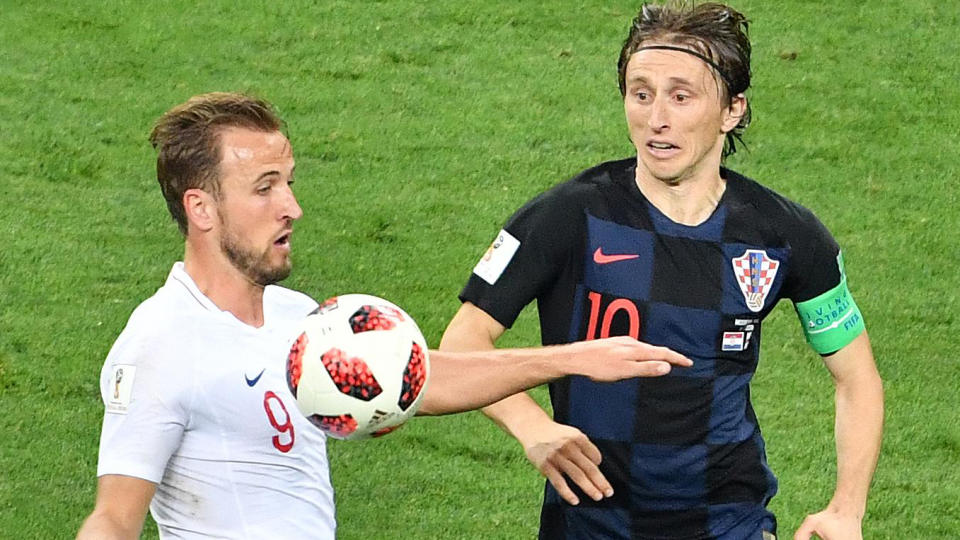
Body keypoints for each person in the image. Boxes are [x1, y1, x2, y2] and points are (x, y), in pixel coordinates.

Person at [75, 92, 690, 540]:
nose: (292, 206)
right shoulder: (160, 345)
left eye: (289, 181)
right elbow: (114, 517)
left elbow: (422, 378)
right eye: (265, 188)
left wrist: (574, 359)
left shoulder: (298, 320)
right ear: (201, 209)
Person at [439, 3, 883, 540]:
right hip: (588, 525)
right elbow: (464, 343)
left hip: (729, 524)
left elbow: (856, 376)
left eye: (681, 95)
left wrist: (847, 508)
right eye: (641, 93)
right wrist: (531, 425)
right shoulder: (570, 216)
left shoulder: (783, 235)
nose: (656, 119)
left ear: (732, 109)